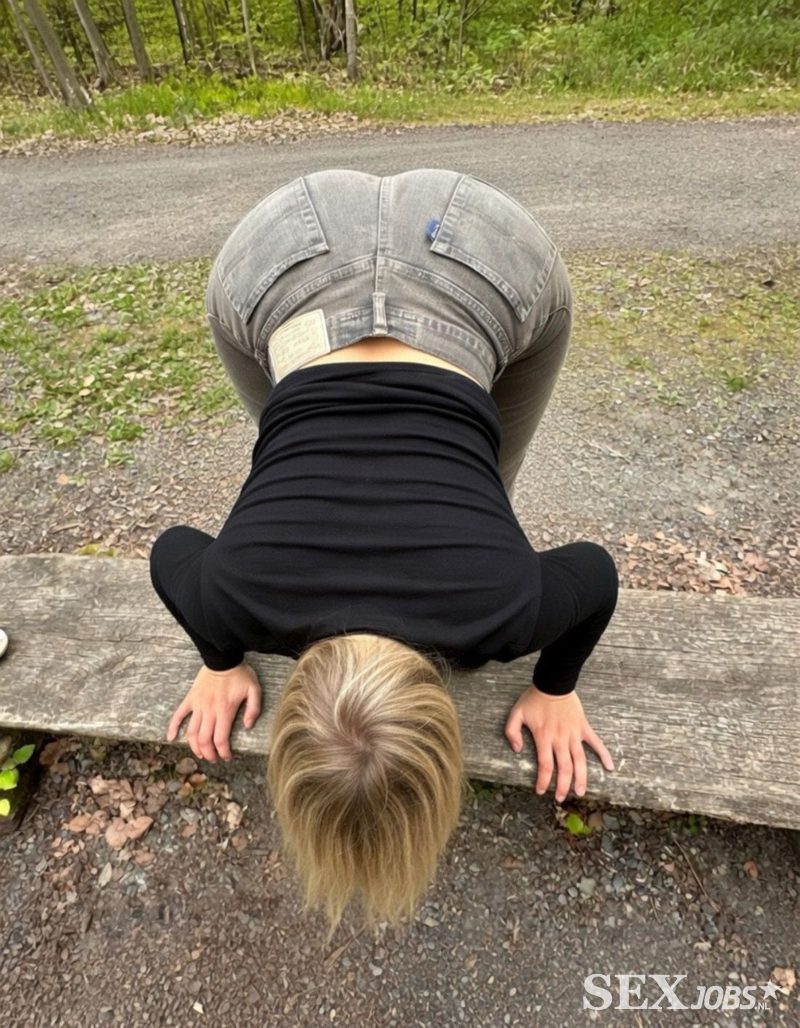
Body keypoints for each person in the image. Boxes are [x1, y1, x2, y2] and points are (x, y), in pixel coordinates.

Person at [149, 168, 618, 943]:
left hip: (477, 258)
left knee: (476, 476)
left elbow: (595, 575)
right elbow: (171, 553)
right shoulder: (229, 598)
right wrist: (221, 656)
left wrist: (553, 687)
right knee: (380, 447)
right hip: (288, 244)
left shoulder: (503, 608)